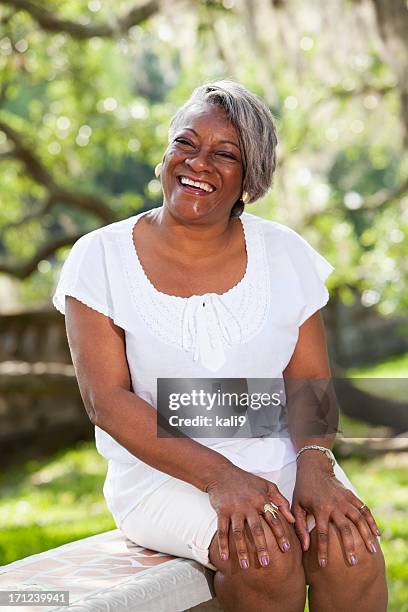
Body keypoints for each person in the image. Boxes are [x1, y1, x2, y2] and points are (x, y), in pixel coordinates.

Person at [52, 79, 387, 611]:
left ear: (249, 179)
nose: (198, 162)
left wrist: (318, 466)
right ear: (165, 155)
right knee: (264, 552)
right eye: (186, 143)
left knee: (349, 550)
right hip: (162, 473)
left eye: (223, 154)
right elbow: (107, 402)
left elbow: (307, 384)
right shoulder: (100, 258)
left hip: (279, 452)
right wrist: (224, 479)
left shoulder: (285, 253)